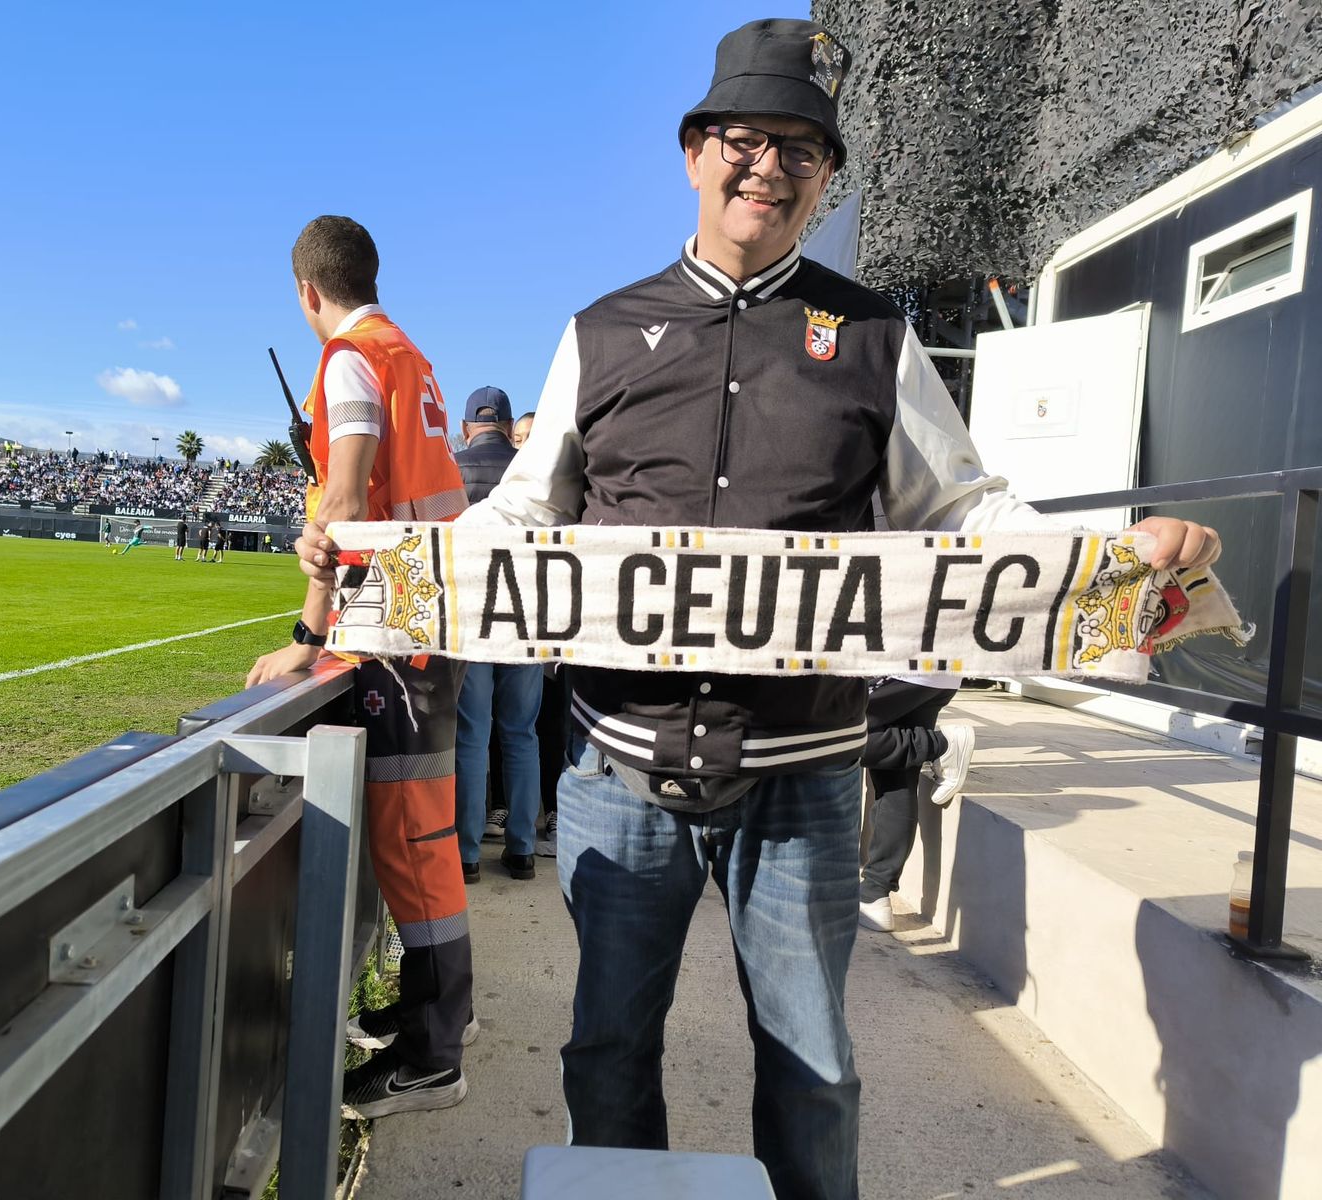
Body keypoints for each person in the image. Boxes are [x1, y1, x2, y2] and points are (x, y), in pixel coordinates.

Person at [290, 20, 1221, 1197]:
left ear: (825, 179)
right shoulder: (600, 331)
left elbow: (963, 509)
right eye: (743, 139)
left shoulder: (874, 337)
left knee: (814, 1067)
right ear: (693, 152)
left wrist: (1112, 558)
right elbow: (522, 514)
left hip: (807, 778)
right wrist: (374, 566)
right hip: (619, 773)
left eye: (800, 149)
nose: (767, 167)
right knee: (605, 1053)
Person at [247, 215, 475, 1120]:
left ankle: (433, 1056)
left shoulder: (349, 357)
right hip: (429, 613)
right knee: (421, 837)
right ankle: (434, 1013)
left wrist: (307, 635)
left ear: (308, 290)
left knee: (412, 845)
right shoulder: (407, 353)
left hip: (398, 628)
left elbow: (342, 500)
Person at [451, 387, 543, 883]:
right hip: (525, 617)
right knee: (521, 734)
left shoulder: (452, 468)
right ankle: (522, 848)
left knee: (473, 736)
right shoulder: (532, 471)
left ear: (467, 428)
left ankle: (466, 854)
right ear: (509, 428)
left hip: (471, 618)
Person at [856, 676, 975, 933]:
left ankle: (941, 745)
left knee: (829, 735)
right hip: (931, 673)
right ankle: (875, 893)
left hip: (905, 669)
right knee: (895, 776)